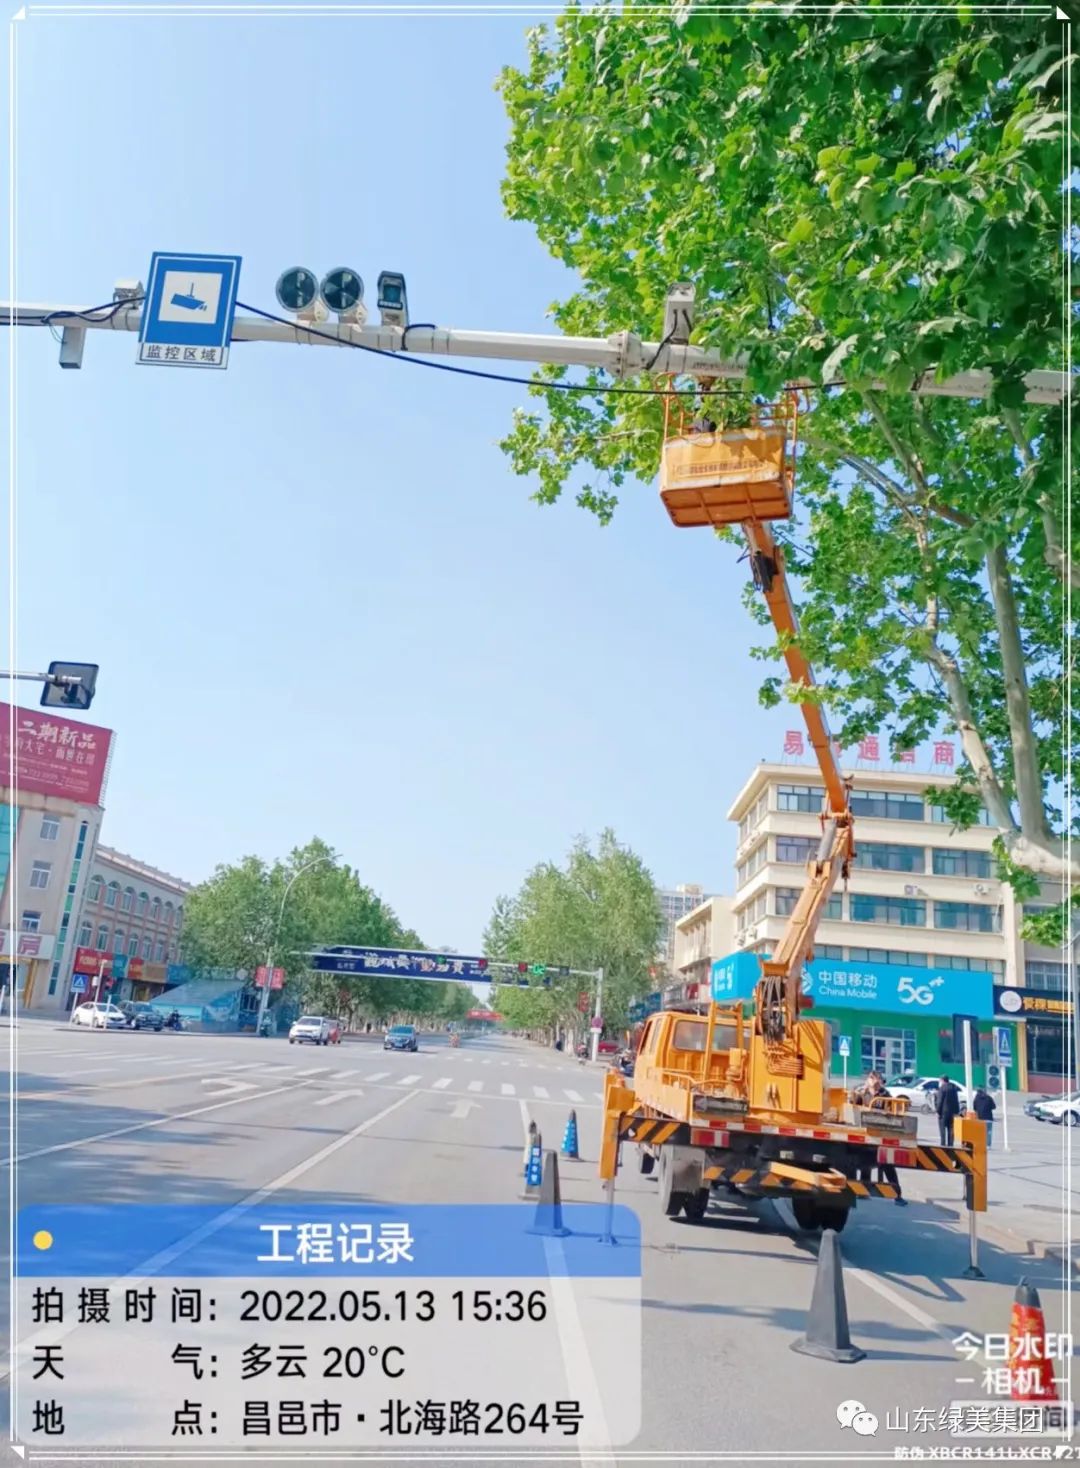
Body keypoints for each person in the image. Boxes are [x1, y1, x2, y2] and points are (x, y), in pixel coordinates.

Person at [860, 1074, 906, 1206]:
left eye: (876, 1079)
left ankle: (897, 1195)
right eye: (871, 1078)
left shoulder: (885, 1094)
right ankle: (863, 1191)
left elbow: (893, 1110)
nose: (874, 1081)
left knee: (887, 1164)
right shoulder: (862, 1093)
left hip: (881, 1133)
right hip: (865, 1132)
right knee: (864, 1163)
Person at [934, 1074, 962, 1146]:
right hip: (952, 1113)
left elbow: (940, 1101)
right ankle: (950, 1145)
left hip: (943, 1113)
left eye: (940, 1081)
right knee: (951, 1129)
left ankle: (943, 1145)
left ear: (942, 1080)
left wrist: (937, 1111)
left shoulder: (942, 1088)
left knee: (942, 1130)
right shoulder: (953, 1088)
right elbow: (956, 1101)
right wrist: (957, 1112)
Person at [972, 1084, 996, 1148]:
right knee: (988, 1132)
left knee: (980, 1132)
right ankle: (988, 1145)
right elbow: (994, 1107)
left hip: (980, 1118)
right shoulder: (989, 1098)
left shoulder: (976, 1099)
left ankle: (980, 1144)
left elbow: (974, 1108)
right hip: (989, 1118)